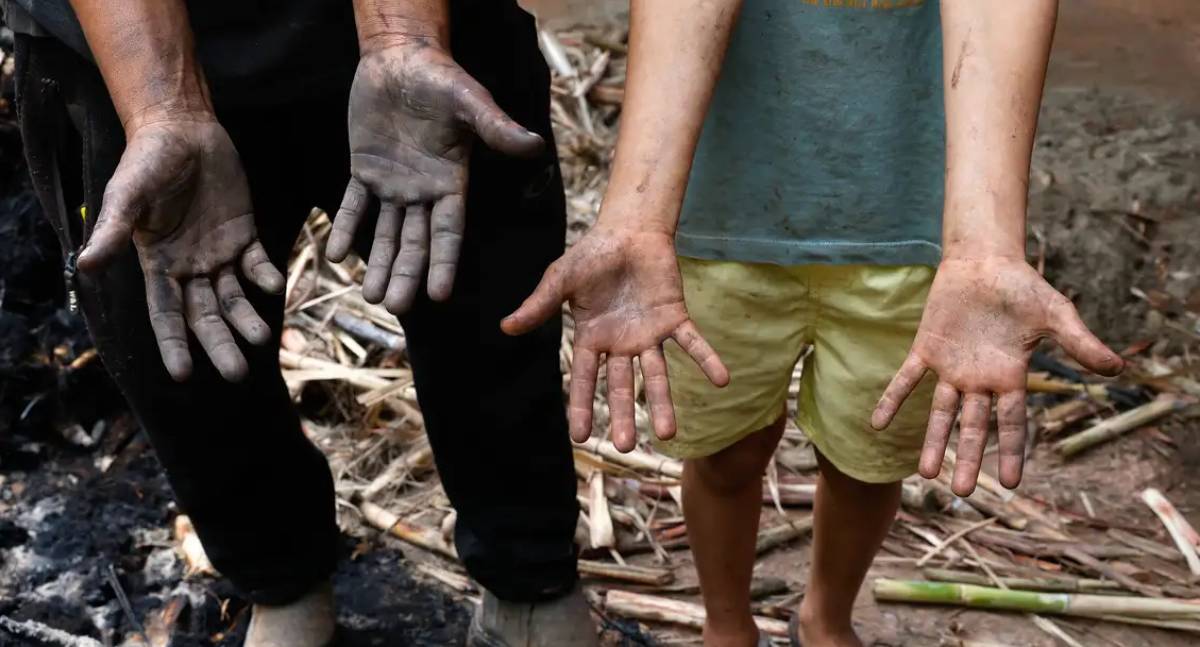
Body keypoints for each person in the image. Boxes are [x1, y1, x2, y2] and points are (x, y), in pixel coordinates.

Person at [503, 1, 1126, 646]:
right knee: (724, 454)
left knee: (867, 459)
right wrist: (635, 217)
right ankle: (726, 624)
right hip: (715, 222)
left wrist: (989, 248)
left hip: (918, 236)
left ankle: (825, 617)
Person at [7, 0, 598, 645]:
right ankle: (280, 579)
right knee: (178, 349)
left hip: (434, 41)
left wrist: (403, 38)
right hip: (114, 47)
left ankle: (528, 579)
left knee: (492, 316)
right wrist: (161, 108)